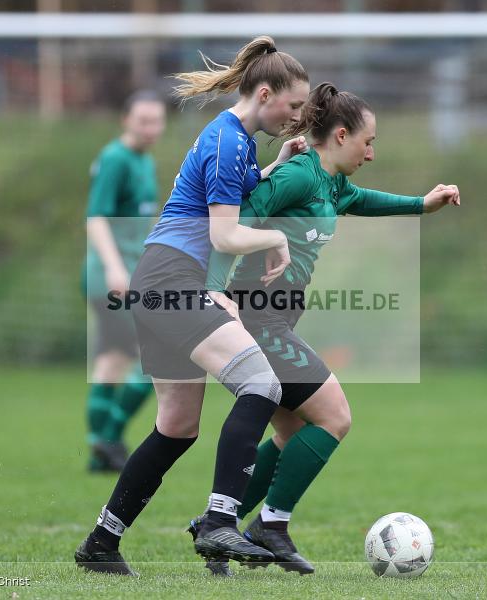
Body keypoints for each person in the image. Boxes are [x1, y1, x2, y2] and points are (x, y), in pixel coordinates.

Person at [188, 83, 461, 575]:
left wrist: (422, 204)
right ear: (340, 135)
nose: (372, 153)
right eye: (368, 141)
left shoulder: (331, 183)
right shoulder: (298, 173)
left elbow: (364, 200)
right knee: (334, 416)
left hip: (275, 319)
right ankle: (269, 524)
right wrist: (215, 291)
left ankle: (217, 525)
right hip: (256, 320)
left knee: (293, 430)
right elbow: (232, 222)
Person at [74, 36, 311, 576]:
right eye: (293, 107)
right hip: (171, 281)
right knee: (262, 385)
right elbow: (226, 236)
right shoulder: (228, 142)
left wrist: (275, 164)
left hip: (161, 281)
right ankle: (220, 521)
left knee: (177, 426)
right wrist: (274, 241)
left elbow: (233, 204)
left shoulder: (235, 141)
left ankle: (101, 543)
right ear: (267, 92)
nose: (297, 118)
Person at [83, 91, 166, 472]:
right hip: (112, 277)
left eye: (156, 121)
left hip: (131, 274)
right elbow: (97, 217)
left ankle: (100, 453)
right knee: (159, 355)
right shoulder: (115, 159)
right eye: (142, 120)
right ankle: (109, 437)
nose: (151, 128)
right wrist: (116, 267)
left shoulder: (144, 161)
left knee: (112, 360)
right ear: (125, 120)